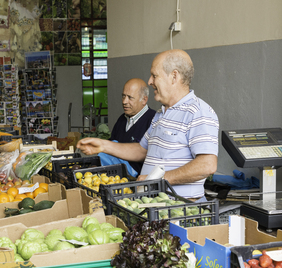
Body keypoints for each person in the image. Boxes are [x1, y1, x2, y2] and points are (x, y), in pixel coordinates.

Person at [77, 49, 219, 201]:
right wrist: (103, 146)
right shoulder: (161, 114)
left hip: (178, 207)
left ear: (174, 76)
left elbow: (207, 165)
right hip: (151, 204)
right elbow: (141, 150)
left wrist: (158, 179)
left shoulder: (198, 112)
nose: (150, 81)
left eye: (154, 75)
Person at [109, 78, 156, 175]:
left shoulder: (153, 120)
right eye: (123, 96)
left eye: (130, 98)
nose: (124, 102)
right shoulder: (122, 120)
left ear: (144, 100)